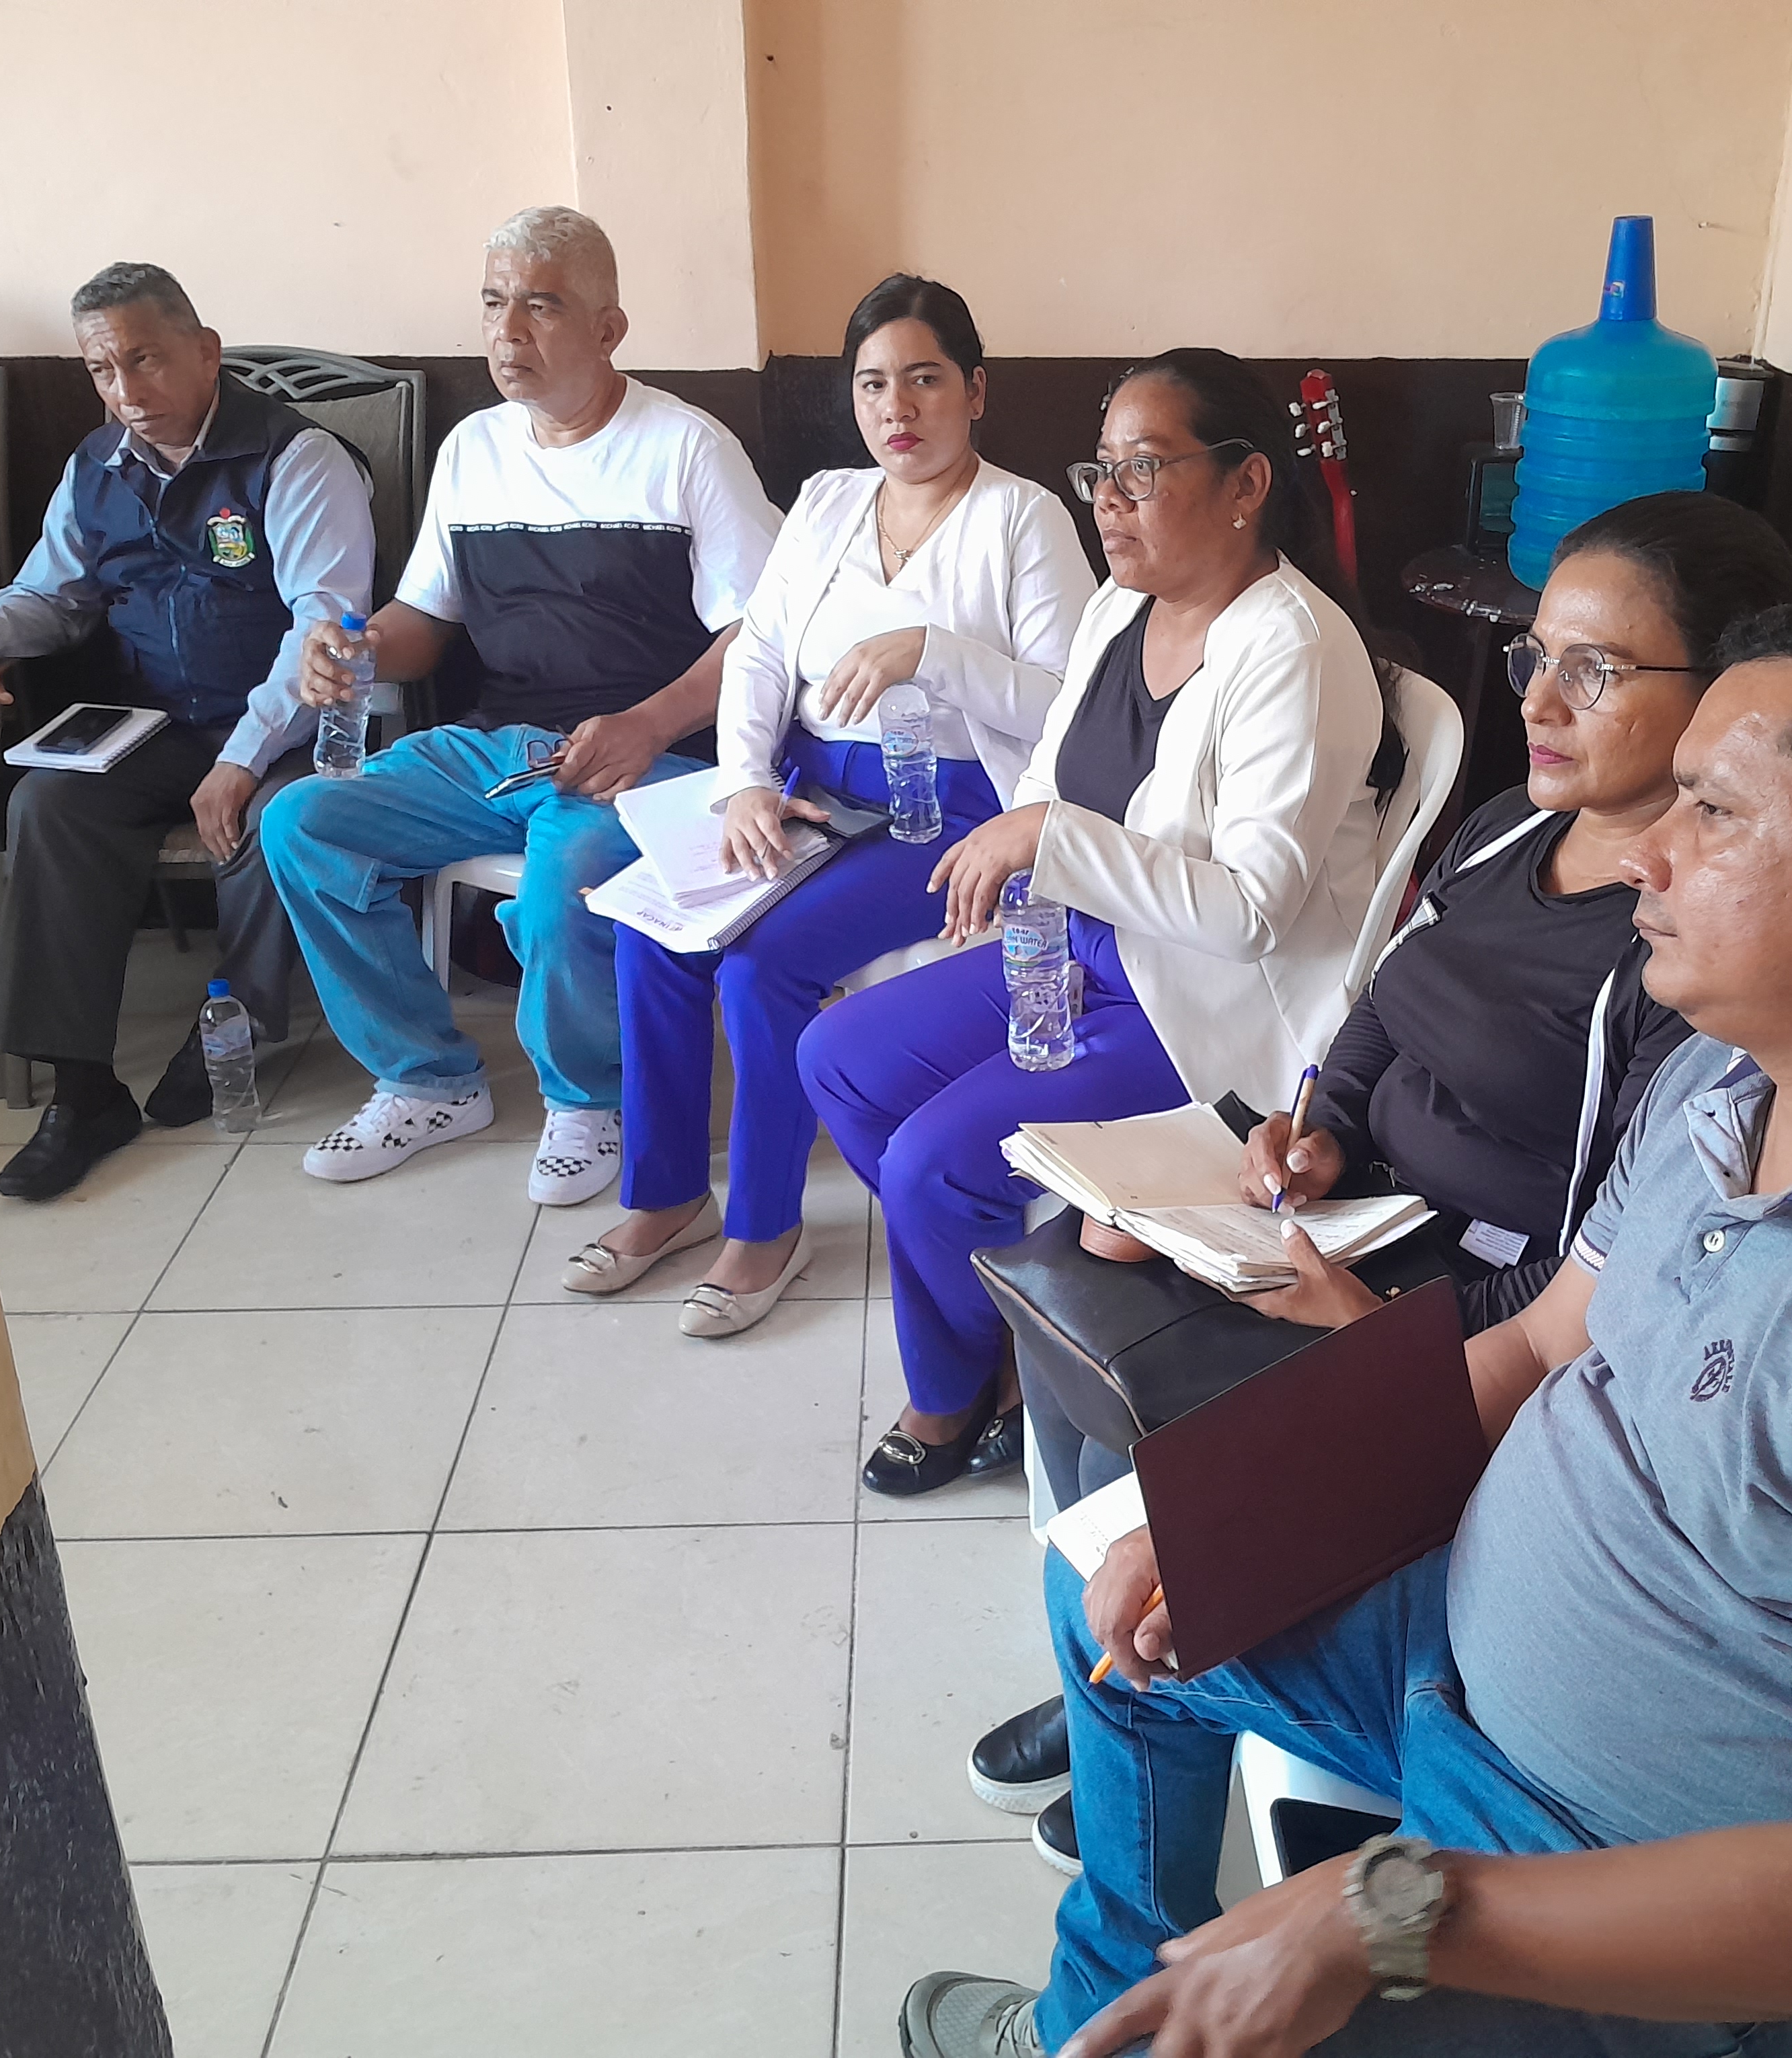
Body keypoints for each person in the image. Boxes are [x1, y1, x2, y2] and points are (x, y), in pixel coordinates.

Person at [902, 595, 1792, 2058]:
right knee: (1112, 1574)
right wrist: (1252, 1507)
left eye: (1714, 813)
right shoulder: (1750, 1062)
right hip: (1461, 1655)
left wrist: (1384, 1913)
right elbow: (1546, 1344)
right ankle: (1095, 2012)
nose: (1647, 854)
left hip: (1644, 1899)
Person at [967, 491, 1792, 1879]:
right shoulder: (1507, 829)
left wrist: (1381, 1318)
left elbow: (1590, 1276)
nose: (1540, 699)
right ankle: (1123, 1671)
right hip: (1356, 1209)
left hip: (1461, 1288)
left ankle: (1159, 1679)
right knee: (1075, 1269)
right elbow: (1378, 1006)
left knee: (1168, 1405)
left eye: (1597, 671)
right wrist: (1320, 1133)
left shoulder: (1681, 947)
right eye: (1537, 656)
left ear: (1724, 694)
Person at [802, 348, 1402, 1496]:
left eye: (1144, 469)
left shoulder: (1295, 647)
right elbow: (1054, 771)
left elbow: (1252, 912)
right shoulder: (1124, 604)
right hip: (1090, 944)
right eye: (1101, 470)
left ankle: (953, 1389)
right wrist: (1028, 852)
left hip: (1205, 1009)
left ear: (1246, 482)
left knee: (933, 1163)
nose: (1110, 500)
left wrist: (1049, 840)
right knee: (838, 1058)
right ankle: (1012, 1335)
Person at [567, 275, 1094, 1336]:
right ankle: (668, 1195)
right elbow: (759, 652)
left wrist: (930, 652)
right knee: (653, 934)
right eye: (873, 385)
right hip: (808, 790)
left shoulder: (1022, 519)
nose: (898, 409)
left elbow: (1067, 708)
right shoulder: (826, 502)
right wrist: (744, 783)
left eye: (925, 380)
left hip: (949, 812)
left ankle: (766, 1228)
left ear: (976, 390)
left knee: (763, 965)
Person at [265, 206, 780, 1205]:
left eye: (541, 306)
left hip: (655, 757)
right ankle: (427, 1079)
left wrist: (650, 724)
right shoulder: (473, 449)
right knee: (304, 823)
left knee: (566, 873)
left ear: (608, 328)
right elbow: (426, 618)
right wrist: (357, 648)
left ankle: (593, 1100)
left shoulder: (686, 448)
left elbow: (763, 638)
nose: (508, 333)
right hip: (499, 749)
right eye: (495, 303)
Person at [0, 262, 374, 1200]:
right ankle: (82, 1089)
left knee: (276, 818)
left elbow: (323, 627)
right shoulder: (96, 467)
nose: (126, 392)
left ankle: (234, 1028)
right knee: (49, 805)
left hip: (283, 725)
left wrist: (243, 758)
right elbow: (51, 595)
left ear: (206, 353)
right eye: (103, 370)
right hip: (155, 723)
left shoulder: (296, 459)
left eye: (145, 360)